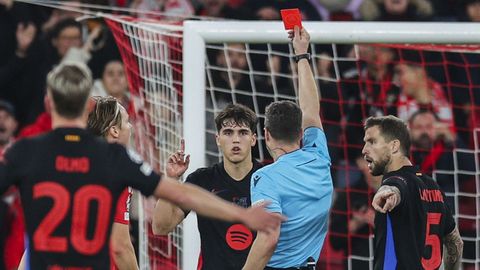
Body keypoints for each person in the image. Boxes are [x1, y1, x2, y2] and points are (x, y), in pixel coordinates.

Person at [0, 62, 283, 269]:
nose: (132, 126)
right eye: (127, 121)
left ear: (49, 101)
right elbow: (180, 196)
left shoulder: (25, 151)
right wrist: (242, 215)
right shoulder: (113, 159)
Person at [243, 26, 334, 269]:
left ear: (266, 135)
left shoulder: (265, 177)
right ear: (301, 134)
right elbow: (311, 110)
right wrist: (302, 55)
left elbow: (268, 236)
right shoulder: (319, 157)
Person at [152, 103, 261, 269]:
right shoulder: (201, 181)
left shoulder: (269, 178)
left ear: (253, 139)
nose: (236, 139)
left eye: (243, 133)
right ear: (218, 139)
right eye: (228, 133)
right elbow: (161, 227)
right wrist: (171, 179)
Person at [362, 115, 464, 269]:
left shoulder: (396, 181)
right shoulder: (433, 187)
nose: (364, 150)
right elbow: (455, 242)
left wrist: (390, 192)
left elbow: (397, 187)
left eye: (372, 142)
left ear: (394, 146)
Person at [86, 96, 137, 270]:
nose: (130, 127)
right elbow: (120, 247)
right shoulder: (117, 170)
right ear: (114, 130)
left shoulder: (65, 164)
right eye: (127, 121)